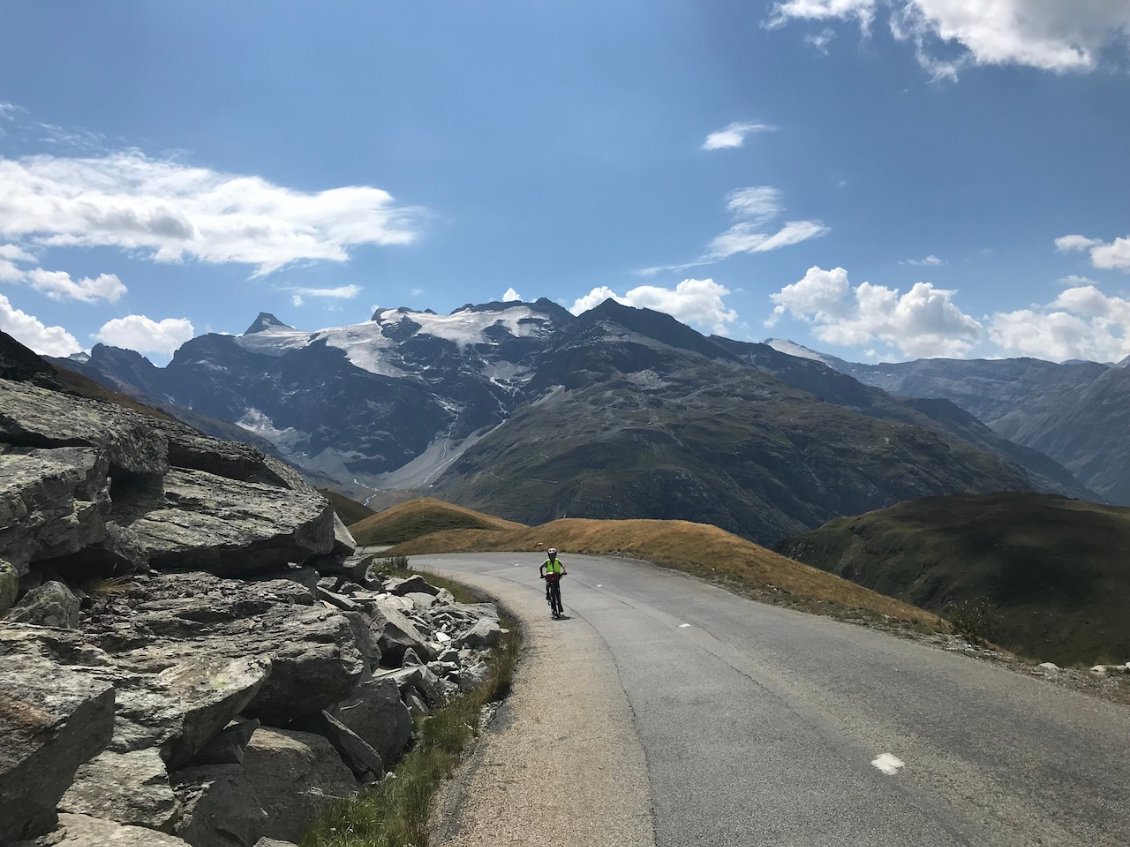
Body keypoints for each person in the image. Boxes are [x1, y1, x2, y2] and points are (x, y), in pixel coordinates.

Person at [539, 547, 567, 619]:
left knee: (558, 591)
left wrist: (564, 571)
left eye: (553, 555)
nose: (552, 557)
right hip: (549, 577)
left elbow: (562, 565)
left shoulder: (557, 561)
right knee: (547, 585)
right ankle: (547, 594)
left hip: (556, 576)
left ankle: (559, 605)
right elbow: (541, 566)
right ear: (548, 555)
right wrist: (542, 574)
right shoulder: (547, 561)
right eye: (551, 555)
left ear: (555, 555)